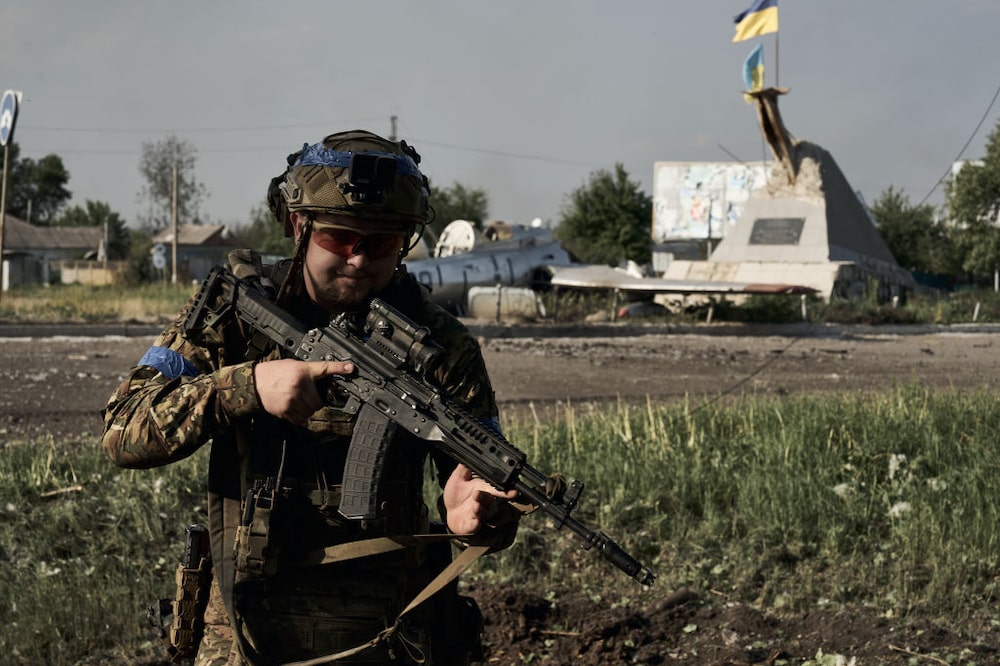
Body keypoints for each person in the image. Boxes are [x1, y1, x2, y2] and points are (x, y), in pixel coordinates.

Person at [102, 130, 521, 665]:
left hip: (386, 630)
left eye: (384, 243)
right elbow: (122, 430)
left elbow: (482, 485)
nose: (360, 259)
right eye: (342, 239)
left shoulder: (441, 348)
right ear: (300, 227)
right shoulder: (235, 313)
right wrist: (244, 387)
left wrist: (476, 520)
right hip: (245, 629)